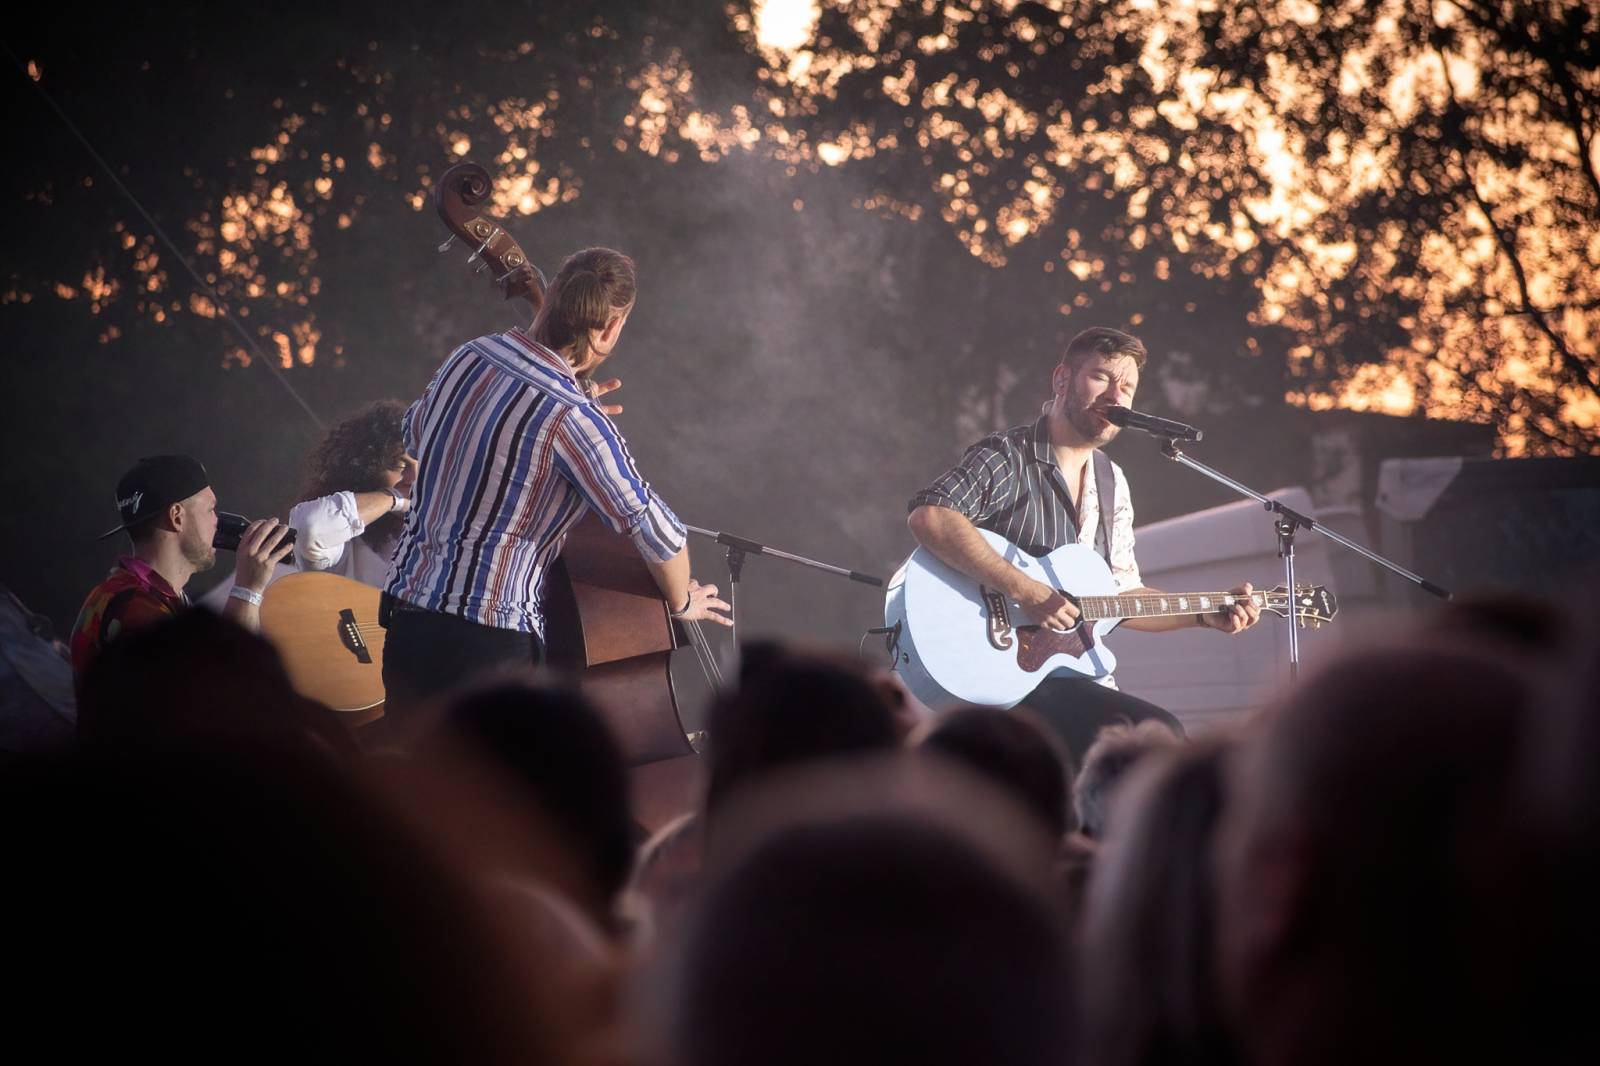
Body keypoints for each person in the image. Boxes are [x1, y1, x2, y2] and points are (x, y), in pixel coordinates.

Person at [381, 248, 730, 723]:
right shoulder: (572, 417)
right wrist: (682, 600)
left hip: (407, 627)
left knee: (412, 789)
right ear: (609, 329)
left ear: (549, 302)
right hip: (489, 645)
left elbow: (416, 432)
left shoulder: (469, 355)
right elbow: (658, 532)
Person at [905, 326, 1259, 763]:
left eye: (1127, 386)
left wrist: (1205, 615)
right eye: (1101, 377)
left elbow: (1122, 596)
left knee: (1143, 748)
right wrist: (1026, 591)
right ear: (1061, 381)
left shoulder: (1112, 482)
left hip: (1063, 671)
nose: (1116, 395)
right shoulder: (1006, 456)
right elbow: (931, 515)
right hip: (996, 670)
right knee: (1156, 742)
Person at [69, 454, 291, 690]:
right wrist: (248, 589)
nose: (217, 522)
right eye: (211, 509)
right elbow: (221, 689)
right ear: (176, 517)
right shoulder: (131, 606)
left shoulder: (149, 597)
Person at [288, 399, 417, 585]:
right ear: (366, 470)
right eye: (399, 465)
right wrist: (394, 499)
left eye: (425, 466)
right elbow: (310, 529)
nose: (414, 478)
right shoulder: (346, 546)